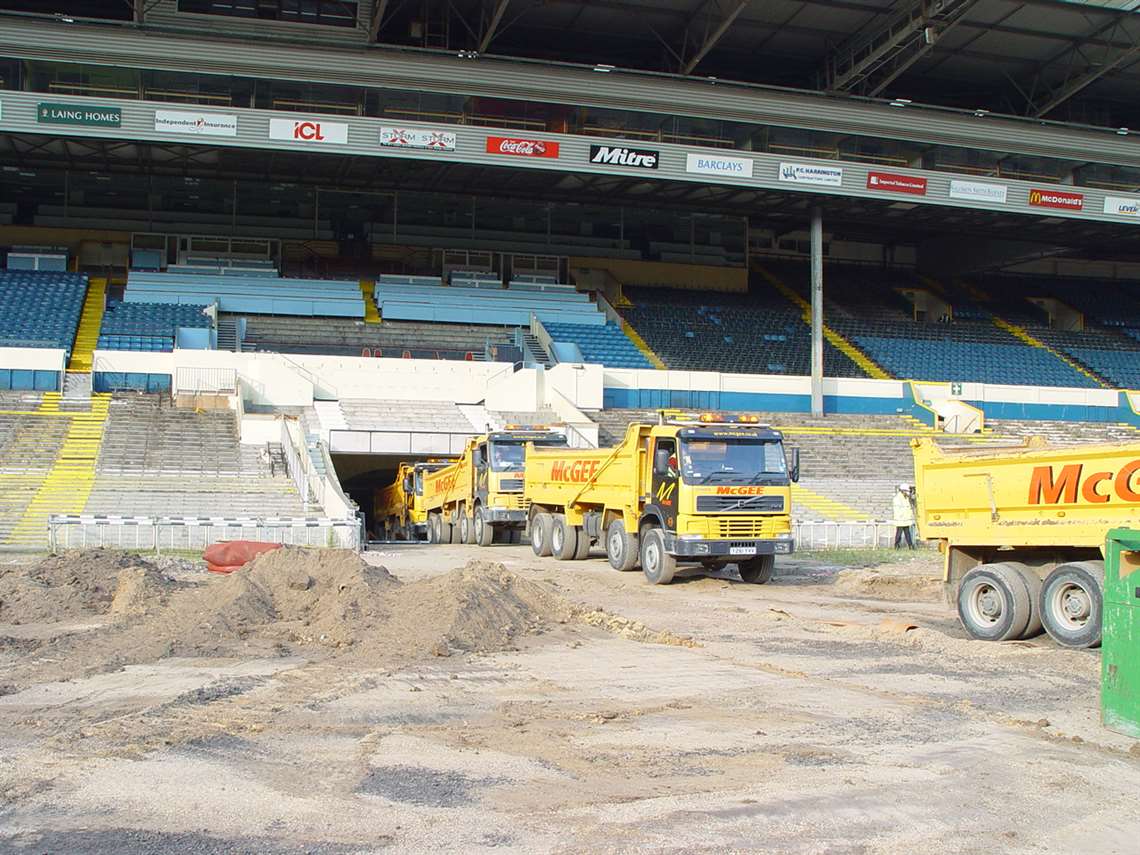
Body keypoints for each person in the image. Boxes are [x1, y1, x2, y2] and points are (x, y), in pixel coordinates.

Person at [892, 483, 916, 550]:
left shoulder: (905, 498)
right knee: (899, 533)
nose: (908, 493)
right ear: (903, 491)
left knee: (907, 533)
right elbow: (899, 509)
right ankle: (896, 546)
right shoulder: (897, 498)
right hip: (900, 519)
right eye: (907, 491)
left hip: (905, 519)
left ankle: (910, 546)